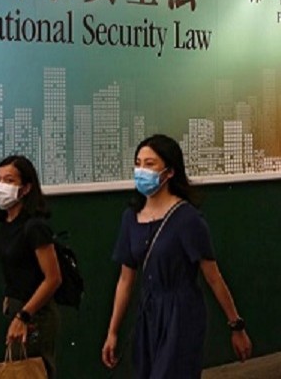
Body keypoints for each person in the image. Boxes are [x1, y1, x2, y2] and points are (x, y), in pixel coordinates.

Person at [101, 134, 252, 377]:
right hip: (148, 314)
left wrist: (236, 325)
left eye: (150, 164)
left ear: (169, 172)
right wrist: (113, 332)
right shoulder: (130, 218)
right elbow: (125, 280)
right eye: (138, 163)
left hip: (181, 313)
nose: (141, 170)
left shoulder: (187, 218)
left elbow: (213, 276)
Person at [0, 154, 62, 378]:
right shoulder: (7, 222)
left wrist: (24, 316)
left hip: (34, 314)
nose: (1, 185)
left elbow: (53, 279)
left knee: (34, 371)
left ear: (26, 188)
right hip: (16, 307)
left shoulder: (34, 227)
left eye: (9, 180)